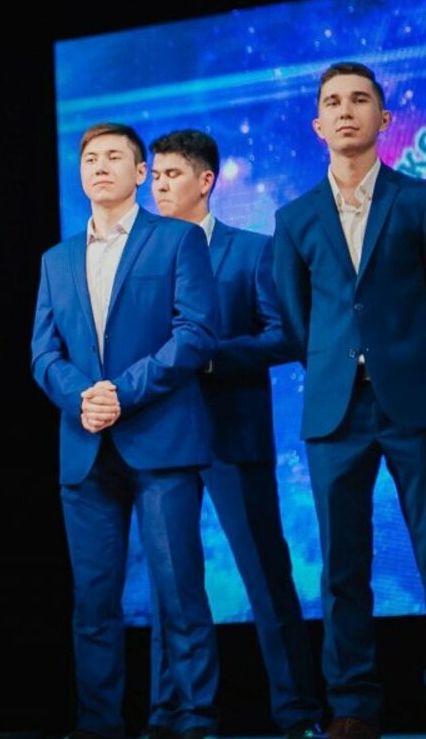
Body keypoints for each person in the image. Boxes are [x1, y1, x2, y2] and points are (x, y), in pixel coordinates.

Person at [273, 62, 426, 739]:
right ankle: (353, 706)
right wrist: (342, 369)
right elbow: (298, 322)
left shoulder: (422, 200)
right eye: (332, 102)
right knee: (342, 568)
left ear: (383, 118)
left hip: (413, 405)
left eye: (359, 99)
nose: (346, 110)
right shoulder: (295, 217)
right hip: (335, 412)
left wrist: (415, 370)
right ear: (318, 124)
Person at [31, 122, 219, 739]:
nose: (100, 166)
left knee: (179, 593)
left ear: (141, 173)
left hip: (161, 440)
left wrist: (122, 392)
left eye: (115, 157)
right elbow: (42, 353)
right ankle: (99, 724)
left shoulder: (176, 239)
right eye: (91, 158)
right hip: (85, 447)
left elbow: (196, 333)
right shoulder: (56, 259)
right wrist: (81, 396)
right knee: (93, 602)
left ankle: (194, 719)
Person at [149, 129, 322, 739]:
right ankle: (171, 713)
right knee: (171, 584)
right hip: (161, 438)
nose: (159, 186)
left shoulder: (252, 251)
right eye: (155, 175)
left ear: (205, 181)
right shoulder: (143, 256)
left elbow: (285, 335)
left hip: (233, 433)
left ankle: (297, 713)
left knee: (266, 575)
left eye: (172, 174)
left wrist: (211, 357)